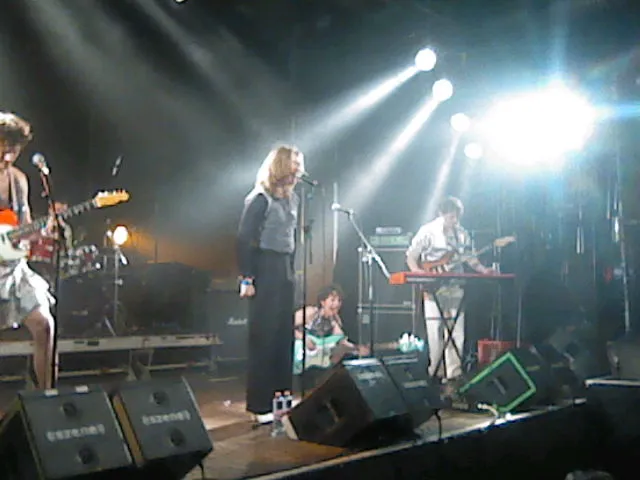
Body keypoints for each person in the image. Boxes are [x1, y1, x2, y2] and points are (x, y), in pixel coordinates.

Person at [237, 144, 303, 425]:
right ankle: (260, 403)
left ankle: (282, 398)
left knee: (283, 335)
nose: (298, 169)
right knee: (264, 335)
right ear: (281, 165)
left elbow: (292, 237)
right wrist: (247, 278)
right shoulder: (259, 198)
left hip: (285, 267)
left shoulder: (293, 199)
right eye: (294, 163)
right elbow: (244, 239)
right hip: (265, 266)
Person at [406, 196, 495, 382]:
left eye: (456, 217)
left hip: (455, 285)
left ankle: (454, 374)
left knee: (457, 331)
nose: (454, 220)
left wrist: (483, 269)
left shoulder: (461, 234)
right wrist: (419, 273)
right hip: (433, 286)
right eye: (450, 216)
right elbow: (411, 255)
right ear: (441, 213)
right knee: (435, 330)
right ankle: (436, 373)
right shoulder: (428, 231)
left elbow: (470, 257)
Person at [0, 112, 57, 389]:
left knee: (44, 325)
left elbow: (24, 226)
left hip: (12, 269)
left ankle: (48, 397)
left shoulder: (18, 180)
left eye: (14, 149)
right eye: (3, 146)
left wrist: (43, 229)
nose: (7, 155)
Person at [293, 284, 368, 386]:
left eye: (339, 300)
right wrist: (304, 339)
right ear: (323, 302)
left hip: (316, 364)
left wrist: (356, 349)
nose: (337, 304)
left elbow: (341, 342)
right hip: (298, 357)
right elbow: (286, 327)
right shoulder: (310, 312)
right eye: (332, 300)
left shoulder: (336, 321)